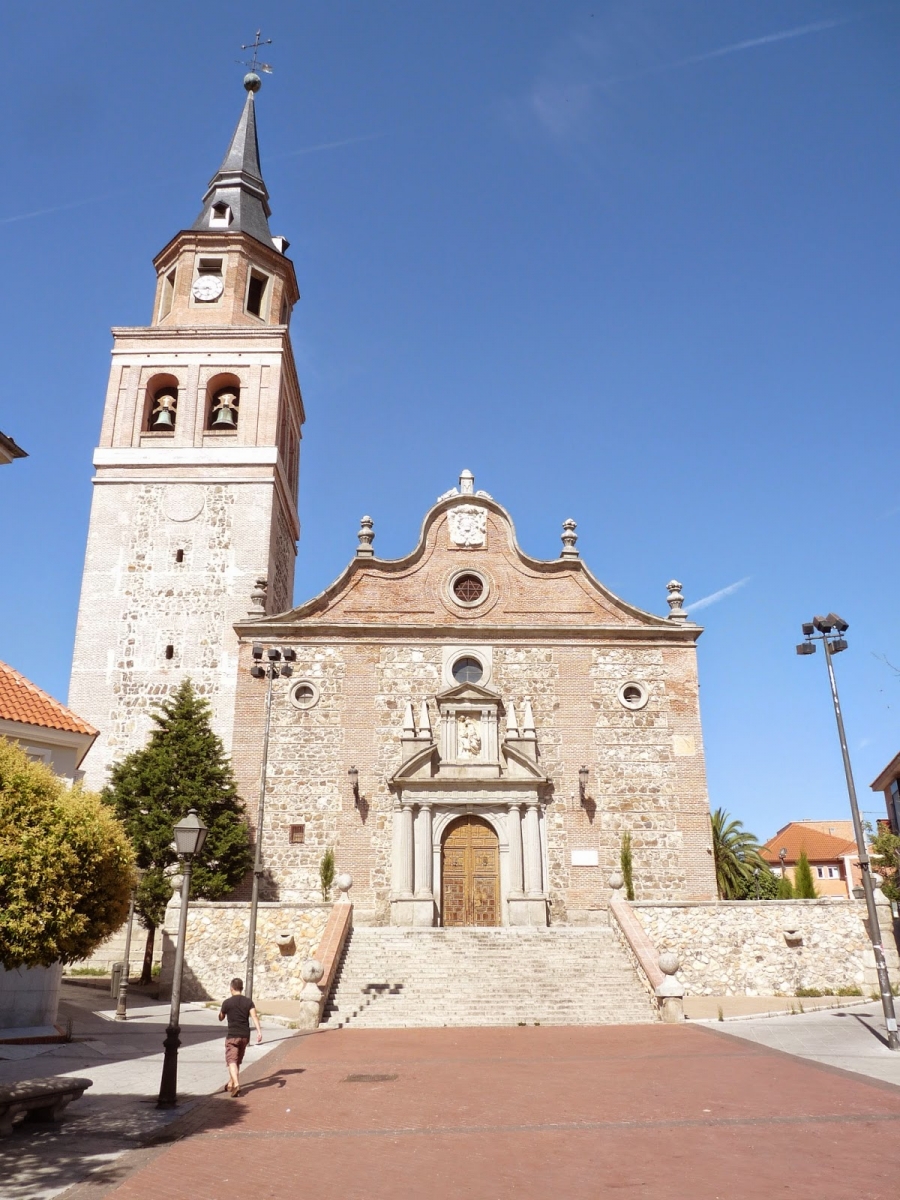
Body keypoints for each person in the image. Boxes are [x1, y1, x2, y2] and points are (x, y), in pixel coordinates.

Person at [218, 977, 262, 1096]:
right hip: (245, 1036)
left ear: (231, 988)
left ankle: (236, 1084)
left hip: (232, 1036)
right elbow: (254, 1016)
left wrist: (222, 1011)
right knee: (236, 1061)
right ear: (241, 988)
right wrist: (259, 1032)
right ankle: (230, 1084)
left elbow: (221, 1017)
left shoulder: (227, 1002)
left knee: (232, 1060)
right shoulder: (248, 1002)